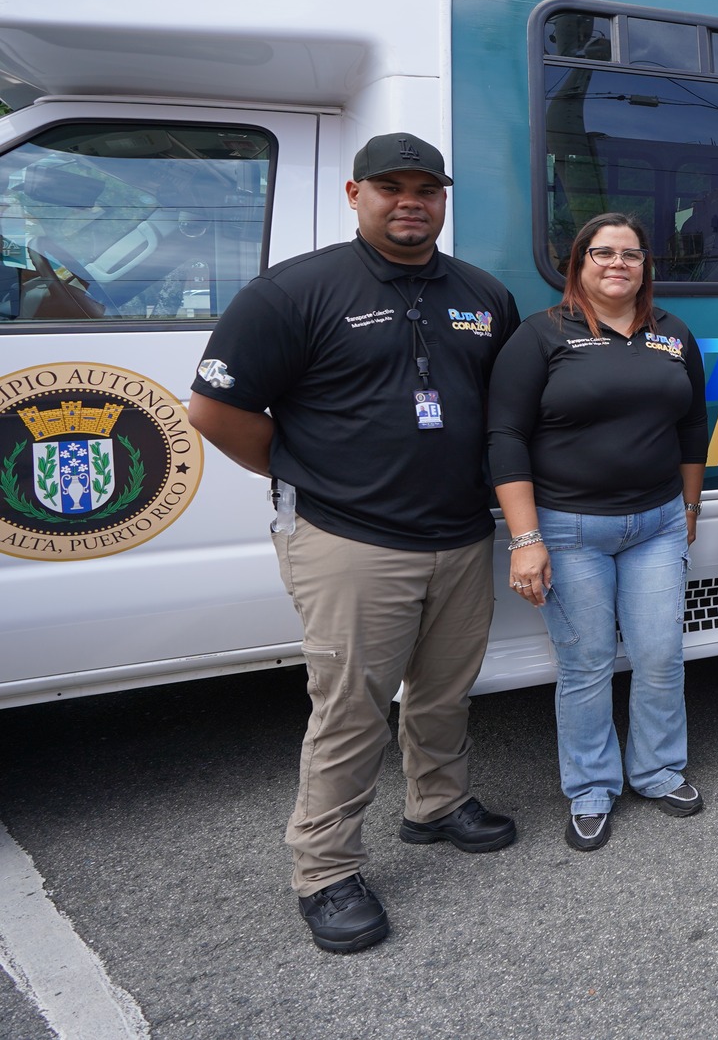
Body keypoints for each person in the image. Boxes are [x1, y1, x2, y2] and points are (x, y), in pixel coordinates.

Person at [187, 133, 519, 955]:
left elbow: (503, 410)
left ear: (444, 199)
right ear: (353, 193)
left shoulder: (483, 296)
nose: (410, 201)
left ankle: (436, 805)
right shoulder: (293, 291)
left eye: (426, 188)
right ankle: (326, 869)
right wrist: (312, 472)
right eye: (390, 187)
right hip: (348, 538)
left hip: (459, 534)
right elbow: (211, 411)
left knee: (445, 690)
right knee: (350, 710)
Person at [486, 213, 709, 852]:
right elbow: (506, 437)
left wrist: (689, 503)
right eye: (603, 253)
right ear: (578, 263)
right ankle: (590, 788)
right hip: (570, 529)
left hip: (659, 526)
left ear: (647, 266)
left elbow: (693, 424)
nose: (618, 264)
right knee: (586, 664)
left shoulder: (673, 334)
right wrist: (526, 540)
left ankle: (659, 771)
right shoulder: (541, 335)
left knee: (661, 655)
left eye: (631, 254)